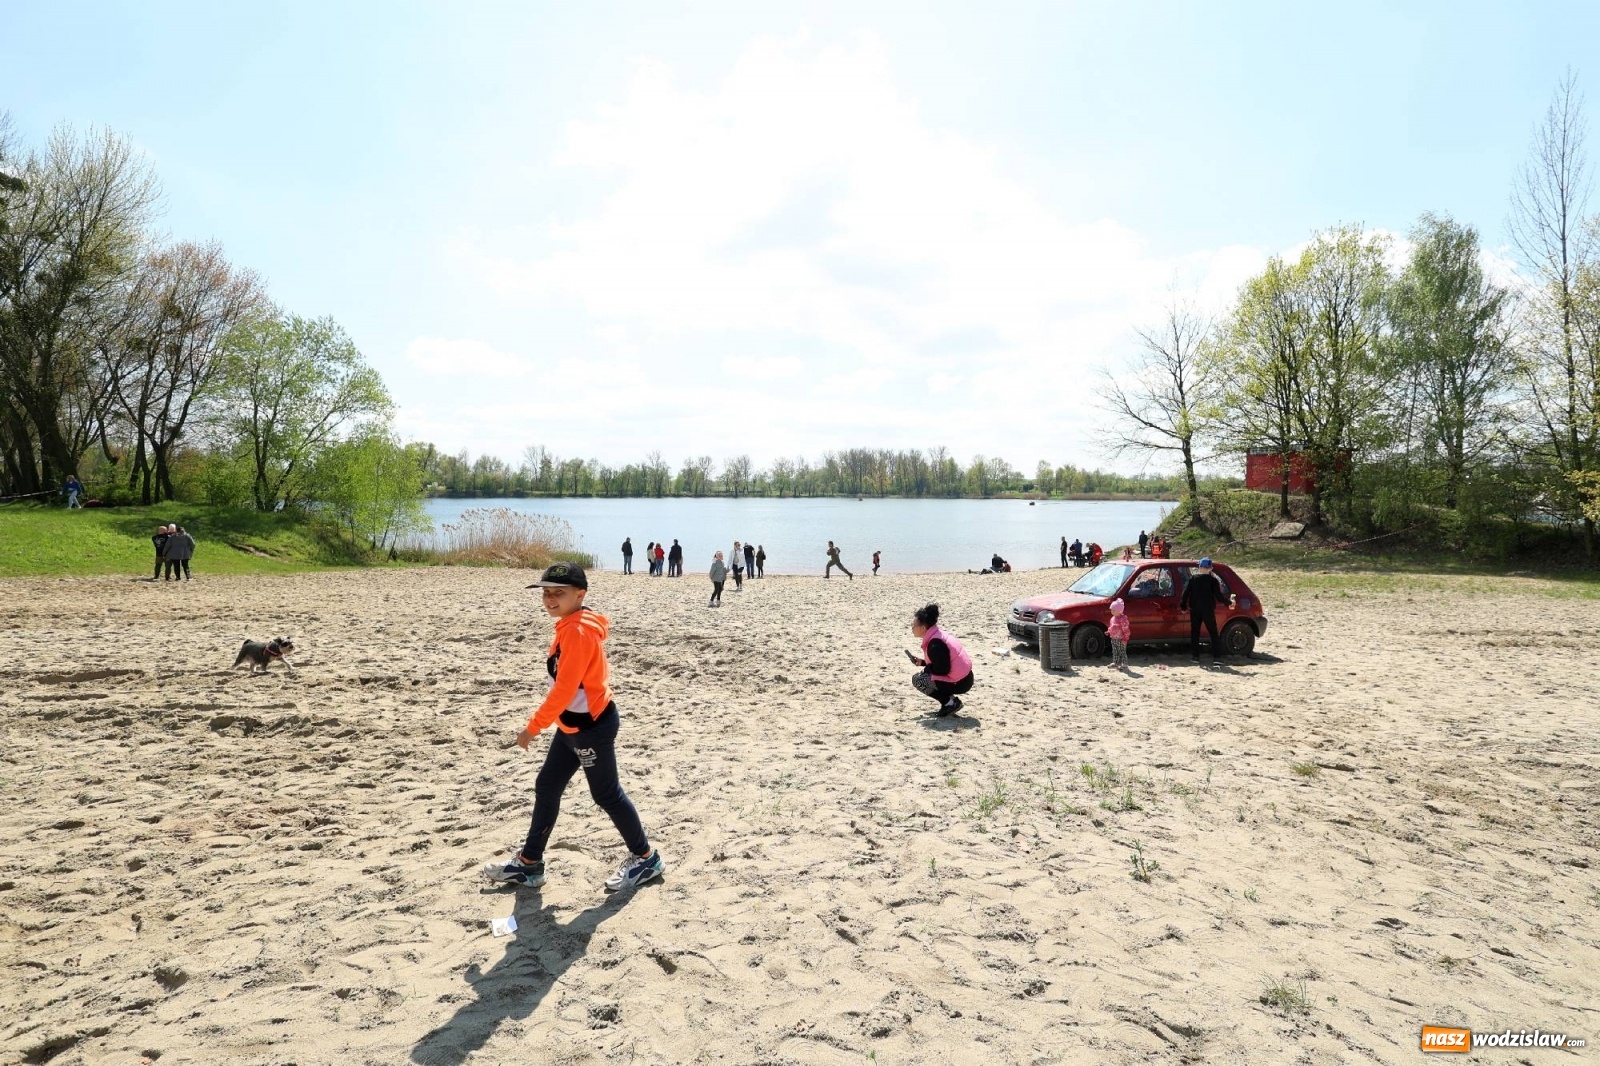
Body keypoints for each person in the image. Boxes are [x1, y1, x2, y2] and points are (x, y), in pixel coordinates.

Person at [482, 562, 664, 893]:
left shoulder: (578, 631)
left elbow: (565, 690)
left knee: (606, 794)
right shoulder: (571, 624)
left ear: (580, 595)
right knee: (548, 784)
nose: (550, 599)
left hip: (590, 726)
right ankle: (530, 864)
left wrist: (532, 728)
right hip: (571, 724)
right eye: (546, 593)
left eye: (559, 593)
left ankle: (646, 858)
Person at [908, 603, 974, 716]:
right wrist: (923, 663)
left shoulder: (935, 644)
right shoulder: (938, 635)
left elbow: (942, 669)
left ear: (923, 628)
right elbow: (943, 663)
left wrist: (927, 669)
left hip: (960, 682)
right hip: (965, 677)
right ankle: (950, 701)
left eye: (914, 625)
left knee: (918, 680)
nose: (912, 628)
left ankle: (950, 703)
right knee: (926, 675)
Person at [1179, 556, 1231, 663]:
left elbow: (1185, 594)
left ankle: (1195, 657)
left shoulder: (1193, 579)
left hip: (1195, 610)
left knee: (1195, 633)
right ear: (1210, 568)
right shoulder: (1213, 581)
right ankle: (1217, 658)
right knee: (1213, 633)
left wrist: (1183, 606)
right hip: (1208, 610)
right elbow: (1219, 596)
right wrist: (1228, 603)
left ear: (1200, 567)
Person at [1107, 597, 1131, 670]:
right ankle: (1116, 663)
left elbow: (1126, 629)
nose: (1112, 611)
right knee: (1115, 651)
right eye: (1111, 610)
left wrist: (1125, 638)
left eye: (1114, 610)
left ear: (1119, 611)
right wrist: (1109, 631)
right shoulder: (1113, 618)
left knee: (1122, 651)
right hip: (1114, 637)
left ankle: (1124, 664)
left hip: (1121, 638)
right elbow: (1112, 626)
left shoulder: (1123, 619)